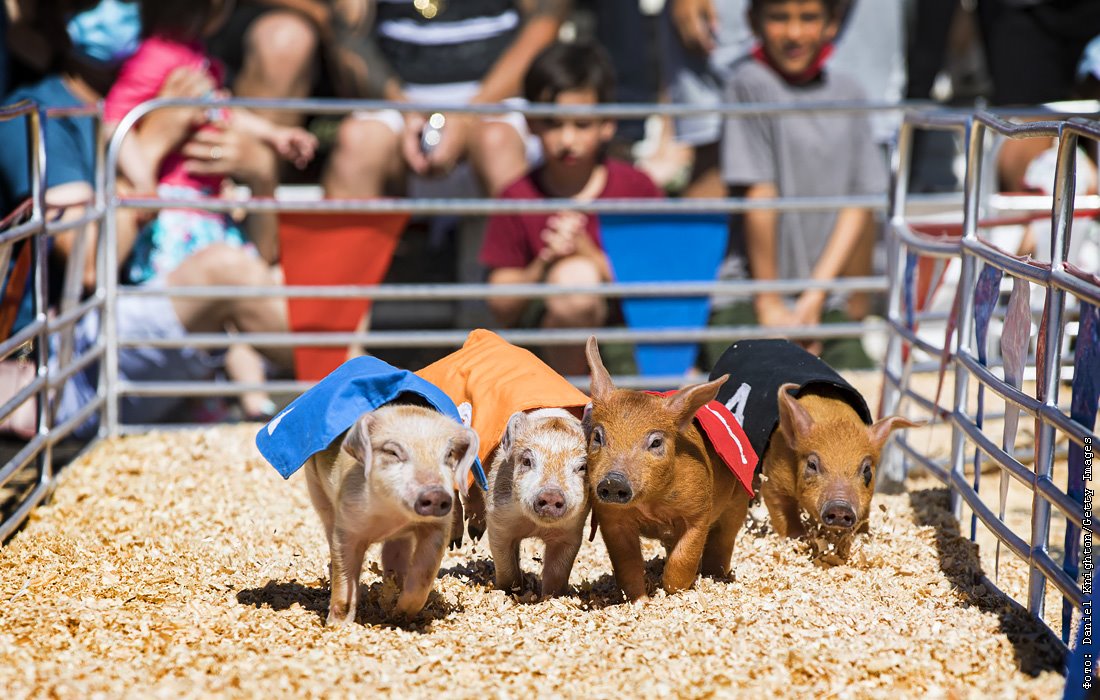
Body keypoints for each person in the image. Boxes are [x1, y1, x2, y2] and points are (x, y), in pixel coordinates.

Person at [0, 1, 293, 433]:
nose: (114, 13)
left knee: (326, 285)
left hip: (166, 335)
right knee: (224, 269)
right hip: (66, 371)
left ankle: (373, 394)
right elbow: (87, 266)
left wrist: (263, 177)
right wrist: (153, 144)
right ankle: (384, 396)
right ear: (54, 19)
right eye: (89, 3)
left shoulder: (176, 89)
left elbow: (264, 254)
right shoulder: (35, 115)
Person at [714, 0, 886, 369]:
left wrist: (814, 299)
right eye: (779, 17)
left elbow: (857, 205)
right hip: (749, 296)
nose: (794, 33)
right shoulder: (749, 83)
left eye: (808, 18)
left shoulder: (850, 91)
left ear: (831, 23)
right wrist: (770, 302)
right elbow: (760, 195)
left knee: (858, 388)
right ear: (754, 21)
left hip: (824, 301)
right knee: (749, 392)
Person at [478, 41, 663, 376]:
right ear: (532, 124)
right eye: (553, 124)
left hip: (631, 341)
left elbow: (663, 282)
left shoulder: (637, 188)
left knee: (578, 275)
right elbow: (501, 306)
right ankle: (574, 408)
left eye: (581, 125)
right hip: (546, 341)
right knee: (572, 281)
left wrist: (588, 254)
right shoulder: (517, 195)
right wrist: (544, 263)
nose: (567, 140)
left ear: (607, 124)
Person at [323, 0, 571, 200]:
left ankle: (524, 261)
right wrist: (407, 111)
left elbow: (545, 24)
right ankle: (341, 261)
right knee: (358, 140)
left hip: (497, 103)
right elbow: (348, 39)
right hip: (398, 109)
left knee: (496, 140)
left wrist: (467, 114)